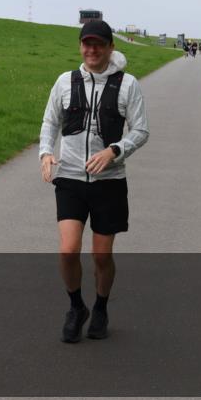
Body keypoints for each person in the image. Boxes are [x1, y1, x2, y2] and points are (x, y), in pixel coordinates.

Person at [38, 20, 149, 343]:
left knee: (101, 256)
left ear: (111, 47)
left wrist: (115, 150)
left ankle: (100, 306)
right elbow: (50, 122)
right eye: (86, 44)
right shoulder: (64, 82)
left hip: (109, 181)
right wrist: (46, 153)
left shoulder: (128, 85)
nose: (92, 49)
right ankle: (76, 307)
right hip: (70, 177)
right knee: (68, 250)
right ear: (80, 47)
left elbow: (140, 131)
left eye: (99, 44)